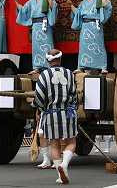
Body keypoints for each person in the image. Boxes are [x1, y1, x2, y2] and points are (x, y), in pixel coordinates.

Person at [33, 49, 77, 185]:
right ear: (60, 59)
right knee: (71, 142)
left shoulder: (44, 75)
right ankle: (64, 165)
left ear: (48, 61)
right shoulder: (70, 74)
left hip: (51, 114)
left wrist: (39, 109)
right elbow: (74, 95)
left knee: (54, 144)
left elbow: (39, 97)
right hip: (68, 113)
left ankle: (60, 174)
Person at [67, 0, 112, 73]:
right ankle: (81, 66)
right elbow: (78, 14)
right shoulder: (83, 2)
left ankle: (103, 66)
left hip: (96, 25)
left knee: (98, 45)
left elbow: (108, 7)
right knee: (83, 46)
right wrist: (71, 5)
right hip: (85, 26)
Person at [14, 0, 57, 73]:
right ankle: (37, 67)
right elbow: (23, 10)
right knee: (36, 47)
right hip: (36, 27)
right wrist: (16, 1)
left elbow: (53, 7)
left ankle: (49, 66)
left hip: (45, 24)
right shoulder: (31, 2)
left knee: (47, 46)